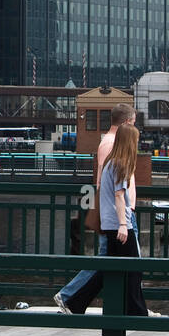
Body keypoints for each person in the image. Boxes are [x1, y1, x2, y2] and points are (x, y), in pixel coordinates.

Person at [54, 102, 138, 313]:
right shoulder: (112, 145)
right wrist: (121, 220)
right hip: (119, 216)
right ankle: (70, 297)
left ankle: (75, 300)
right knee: (115, 264)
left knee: (112, 264)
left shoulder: (111, 144)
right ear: (127, 123)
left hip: (120, 214)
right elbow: (109, 185)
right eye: (134, 123)